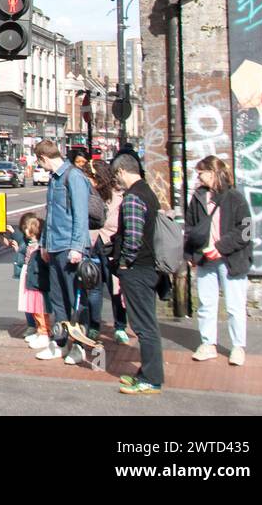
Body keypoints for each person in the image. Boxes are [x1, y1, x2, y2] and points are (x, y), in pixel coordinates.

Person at [186, 154, 252, 366]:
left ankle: (238, 346)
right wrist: (190, 255)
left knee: (234, 305)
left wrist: (220, 247)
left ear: (212, 172)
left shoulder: (235, 198)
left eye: (201, 173)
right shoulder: (197, 197)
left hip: (231, 258)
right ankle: (208, 344)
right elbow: (189, 227)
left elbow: (246, 230)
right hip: (205, 258)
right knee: (206, 303)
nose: (199, 178)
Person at [34, 139, 91, 364]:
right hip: (55, 246)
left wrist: (77, 247)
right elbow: (50, 217)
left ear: (44, 158)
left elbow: (81, 215)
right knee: (58, 300)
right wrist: (45, 245)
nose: (42, 167)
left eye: (40, 163)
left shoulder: (73, 177)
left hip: (69, 248)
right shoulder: (54, 179)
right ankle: (58, 343)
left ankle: (79, 347)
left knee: (74, 301)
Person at [112, 152, 164, 395]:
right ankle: (146, 372)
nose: (117, 180)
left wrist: (123, 262)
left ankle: (151, 379)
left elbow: (132, 238)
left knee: (144, 326)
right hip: (148, 267)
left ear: (122, 171)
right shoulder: (148, 193)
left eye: (117, 175)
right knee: (146, 324)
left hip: (138, 269)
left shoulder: (133, 198)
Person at [70, 160, 124, 346]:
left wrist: (104, 234)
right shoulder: (87, 194)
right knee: (93, 287)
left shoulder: (117, 195)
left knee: (114, 288)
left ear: (98, 178)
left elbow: (117, 223)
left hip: (110, 246)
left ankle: (120, 326)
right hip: (91, 246)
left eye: (89, 176)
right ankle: (94, 325)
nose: (86, 180)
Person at [5, 213, 50, 348]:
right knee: (34, 308)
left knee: (40, 308)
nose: (24, 231)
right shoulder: (31, 244)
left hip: (36, 281)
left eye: (26, 228)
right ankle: (39, 330)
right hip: (31, 279)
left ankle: (44, 332)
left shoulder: (38, 246)